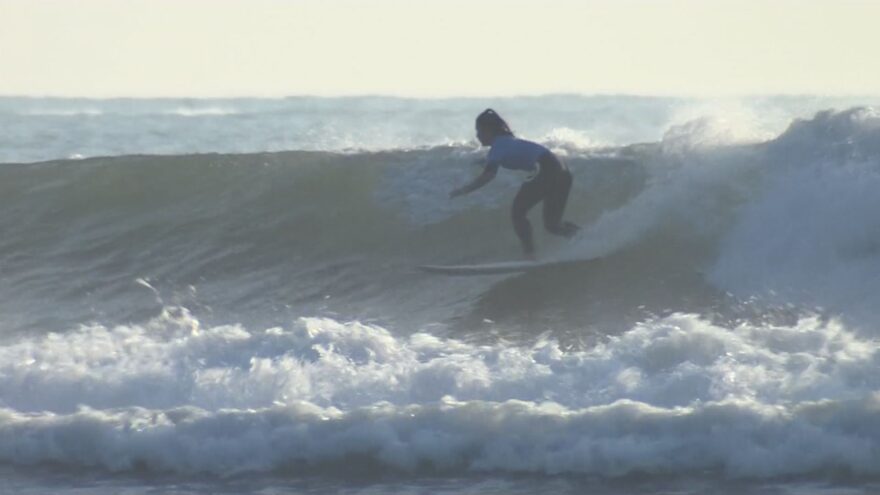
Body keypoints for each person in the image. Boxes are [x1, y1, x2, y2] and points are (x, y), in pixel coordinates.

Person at [450, 109, 579, 259]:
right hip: (562, 170)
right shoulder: (507, 142)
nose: (477, 135)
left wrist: (464, 190)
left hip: (546, 169)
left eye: (479, 131)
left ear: (490, 130)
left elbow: (488, 176)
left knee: (518, 212)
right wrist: (483, 162)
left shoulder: (498, 146)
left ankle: (529, 255)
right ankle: (584, 237)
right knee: (553, 225)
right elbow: (501, 157)